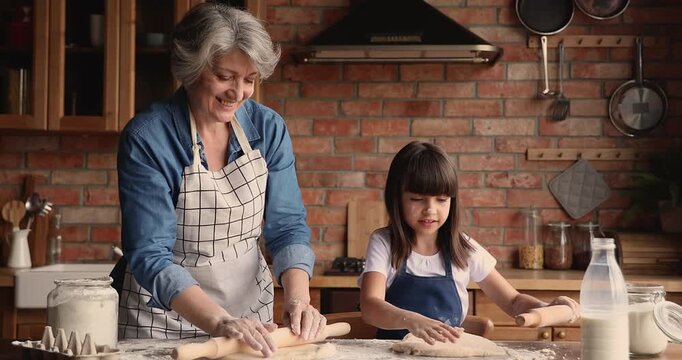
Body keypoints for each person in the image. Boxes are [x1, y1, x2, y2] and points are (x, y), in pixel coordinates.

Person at [113, 2, 324, 357]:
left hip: (249, 321)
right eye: (225, 76)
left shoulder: (268, 129)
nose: (237, 92)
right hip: (160, 321)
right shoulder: (149, 138)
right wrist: (219, 321)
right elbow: (150, 253)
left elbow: (287, 227)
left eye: (249, 79)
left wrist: (298, 299)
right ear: (192, 69)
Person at [359, 141, 579, 344]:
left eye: (441, 199)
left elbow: (513, 301)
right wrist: (412, 321)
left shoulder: (463, 249)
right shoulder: (385, 243)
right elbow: (370, 307)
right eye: (417, 199)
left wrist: (546, 308)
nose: (430, 209)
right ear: (396, 198)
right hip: (390, 354)